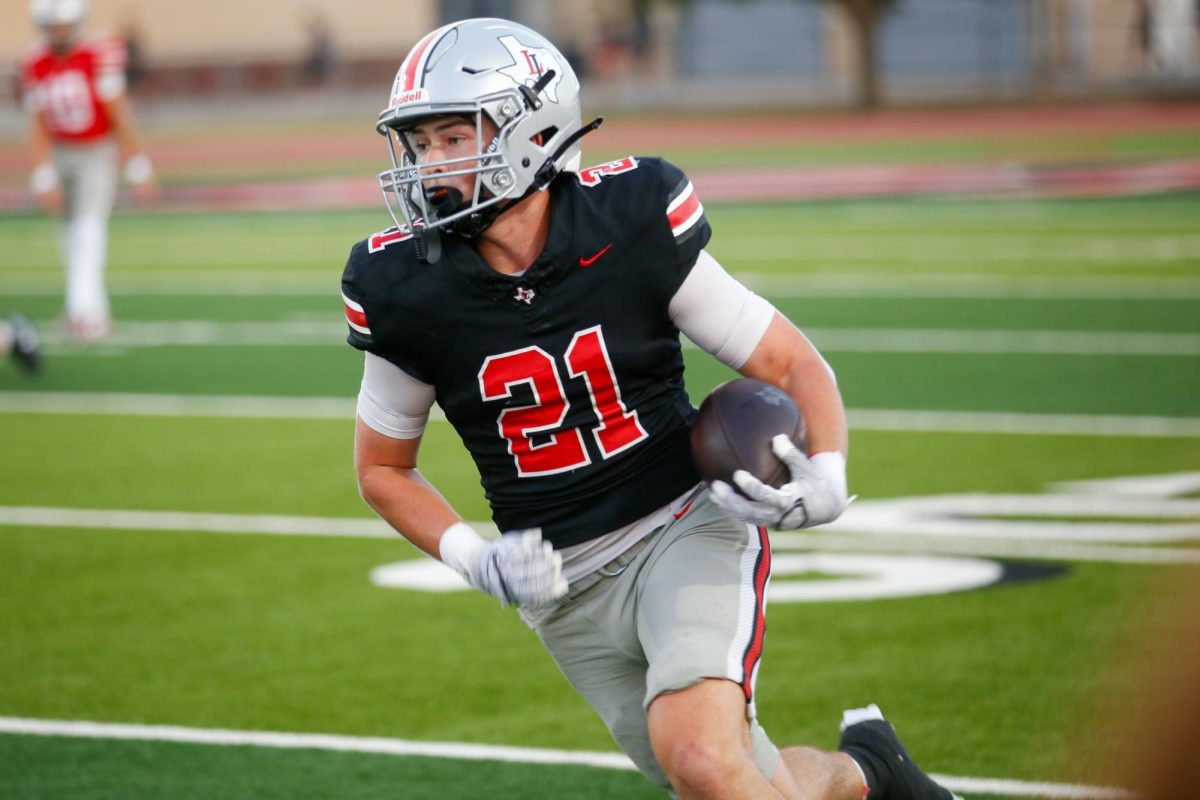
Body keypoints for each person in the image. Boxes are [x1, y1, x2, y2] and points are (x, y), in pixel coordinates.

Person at [342, 17, 960, 800]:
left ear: (531, 127)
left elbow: (787, 359)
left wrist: (830, 469)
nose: (430, 165)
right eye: (419, 144)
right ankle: (871, 771)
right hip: (562, 586)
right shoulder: (404, 288)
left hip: (682, 524)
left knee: (700, 757)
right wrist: (475, 556)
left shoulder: (627, 221)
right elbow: (382, 469)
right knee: (737, 777)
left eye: (451, 138)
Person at [21, 0, 158, 342]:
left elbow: (118, 114)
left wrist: (137, 165)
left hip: (96, 151)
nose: (59, 32)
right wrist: (43, 174)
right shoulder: (35, 62)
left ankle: (88, 313)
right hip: (61, 151)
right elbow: (37, 125)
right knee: (69, 235)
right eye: (53, 26)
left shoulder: (97, 55)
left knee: (89, 229)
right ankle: (83, 307)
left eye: (65, 25)